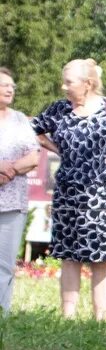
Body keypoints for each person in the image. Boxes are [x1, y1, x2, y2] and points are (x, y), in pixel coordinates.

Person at [31, 59, 106, 320]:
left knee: (103, 256)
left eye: (69, 82)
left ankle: (101, 315)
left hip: (104, 194)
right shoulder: (59, 110)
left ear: (87, 84)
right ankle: (68, 315)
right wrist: (57, 149)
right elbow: (34, 130)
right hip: (68, 192)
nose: (63, 87)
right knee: (69, 255)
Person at [0, 69, 40, 314]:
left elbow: (34, 156)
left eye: (12, 85)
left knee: (4, 264)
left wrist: (9, 170)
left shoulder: (19, 120)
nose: (10, 89)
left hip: (12, 204)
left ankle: (2, 315)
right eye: (4, 84)